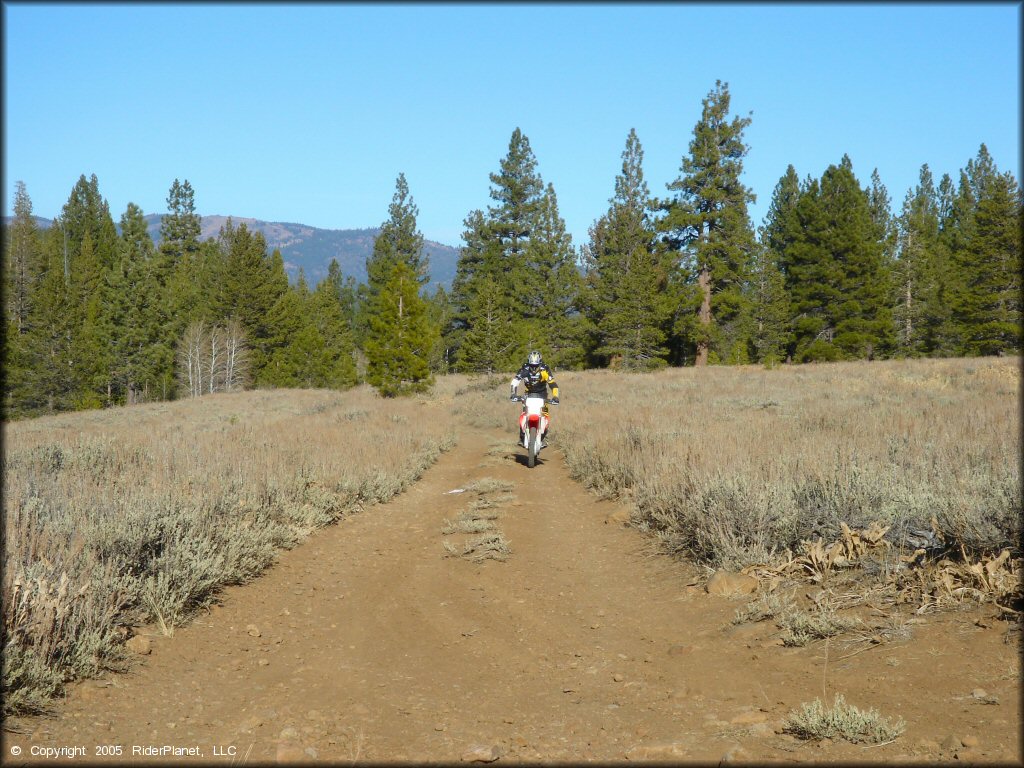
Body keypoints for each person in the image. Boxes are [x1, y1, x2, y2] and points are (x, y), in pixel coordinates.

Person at [509, 350, 559, 446]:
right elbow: (515, 381)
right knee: (525, 414)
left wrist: (555, 396)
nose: (534, 368)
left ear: (540, 363)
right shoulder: (524, 368)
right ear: (529, 362)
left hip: (542, 395)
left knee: (544, 415)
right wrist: (513, 394)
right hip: (528, 395)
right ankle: (522, 437)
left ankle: (543, 437)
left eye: (536, 366)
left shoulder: (545, 369)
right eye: (532, 366)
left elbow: (553, 384)